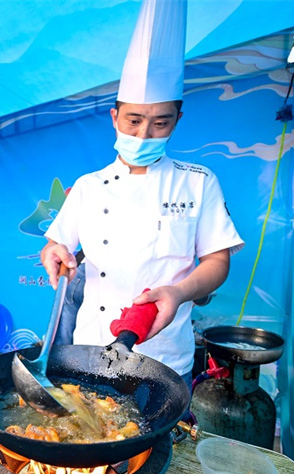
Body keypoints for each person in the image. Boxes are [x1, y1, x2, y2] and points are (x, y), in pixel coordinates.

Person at [41, 0, 243, 391]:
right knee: (88, 427)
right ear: (114, 117)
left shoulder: (198, 182)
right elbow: (55, 246)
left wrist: (180, 292)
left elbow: (217, 261)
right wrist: (53, 253)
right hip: (90, 347)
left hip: (163, 354)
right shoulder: (88, 186)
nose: (144, 134)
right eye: (133, 121)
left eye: (160, 123)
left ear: (177, 122)